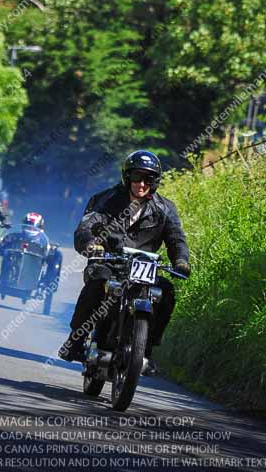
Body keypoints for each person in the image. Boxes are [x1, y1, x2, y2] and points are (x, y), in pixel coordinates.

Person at [58, 150, 190, 375]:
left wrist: (181, 260)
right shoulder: (106, 200)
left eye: (148, 179)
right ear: (127, 177)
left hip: (143, 269)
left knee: (166, 293)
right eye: (137, 177)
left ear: (155, 181)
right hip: (109, 262)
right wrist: (91, 244)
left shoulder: (165, 209)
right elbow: (86, 226)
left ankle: (145, 351)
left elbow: (176, 237)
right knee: (98, 281)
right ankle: (76, 340)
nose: (141, 184)